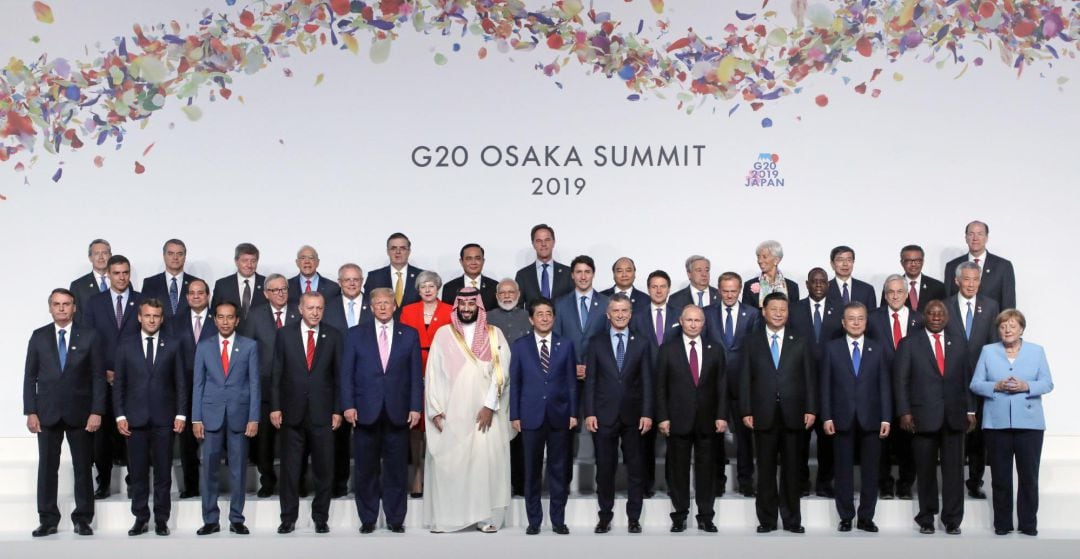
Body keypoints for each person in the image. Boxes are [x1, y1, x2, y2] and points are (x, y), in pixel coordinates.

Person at [423, 288, 513, 533]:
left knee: (485, 464)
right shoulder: (443, 334)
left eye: (471, 304)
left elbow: (501, 373)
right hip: (454, 414)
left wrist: (488, 406)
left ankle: (486, 518)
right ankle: (448, 518)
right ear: (456, 306)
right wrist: (436, 411)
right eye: (461, 304)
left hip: (485, 415)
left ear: (479, 307)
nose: (465, 308)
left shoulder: (494, 335)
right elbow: (433, 374)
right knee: (451, 464)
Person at [24, 288, 105, 537]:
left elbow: (98, 377)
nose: (61, 308)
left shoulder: (89, 336)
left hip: (80, 413)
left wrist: (96, 411)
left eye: (66, 304)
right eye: (57, 304)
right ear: (50, 307)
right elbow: (30, 377)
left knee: (82, 467)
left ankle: (83, 518)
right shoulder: (38, 337)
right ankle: (47, 519)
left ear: (74, 307)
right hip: (46, 413)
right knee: (47, 468)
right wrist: (31, 411)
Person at [341, 288, 423, 534]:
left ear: (394, 305)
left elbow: (415, 375)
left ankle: (395, 518)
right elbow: (346, 374)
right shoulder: (355, 334)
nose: (383, 307)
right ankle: (367, 518)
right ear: (371, 307)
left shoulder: (409, 334)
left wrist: (415, 407)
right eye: (378, 303)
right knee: (366, 469)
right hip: (365, 411)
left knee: (396, 469)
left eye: (387, 303)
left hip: (398, 411)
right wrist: (348, 405)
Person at [893, 300, 975, 535]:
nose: (936, 317)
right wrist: (904, 412)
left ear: (947, 317)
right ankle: (926, 517)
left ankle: (952, 520)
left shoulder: (959, 342)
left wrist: (970, 410)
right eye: (931, 313)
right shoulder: (909, 344)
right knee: (925, 471)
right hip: (922, 416)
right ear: (924, 316)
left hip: (954, 416)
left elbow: (966, 379)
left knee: (954, 472)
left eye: (940, 313)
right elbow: (901, 382)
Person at [970, 309, 1053, 536]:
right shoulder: (988, 351)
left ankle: (1028, 525)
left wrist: (1027, 386)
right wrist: (995, 386)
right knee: (1000, 477)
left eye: (1012, 326)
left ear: (1022, 329)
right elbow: (976, 384)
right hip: (997, 424)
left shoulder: (1036, 351)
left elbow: (1047, 383)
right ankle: (1003, 524)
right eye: (1003, 326)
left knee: (1028, 477)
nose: (1007, 330)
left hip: (1030, 425)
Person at [740, 292, 817, 534]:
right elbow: (744, 379)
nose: (778, 313)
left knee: (793, 471)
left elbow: (809, 379)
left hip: (794, 414)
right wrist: (746, 410)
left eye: (783, 309)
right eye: (773, 309)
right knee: (765, 470)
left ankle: (792, 520)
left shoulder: (801, 340)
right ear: (764, 311)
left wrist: (811, 409)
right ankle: (767, 520)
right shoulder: (751, 341)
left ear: (788, 312)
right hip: (762, 414)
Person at [270, 292, 343, 534]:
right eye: (310, 307)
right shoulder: (284, 334)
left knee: (324, 469)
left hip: (323, 413)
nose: (314, 312)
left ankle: (321, 517)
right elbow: (277, 373)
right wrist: (275, 407)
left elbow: (338, 377)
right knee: (290, 470)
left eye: (319, 308)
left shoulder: (333, 335)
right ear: (300, 308)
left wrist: (337, 410)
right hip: (292, 412)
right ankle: (288, 518)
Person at [113, 298, 187, 536]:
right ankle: (141, 518)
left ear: (162, 318)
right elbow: (119, 385)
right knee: (137, 473)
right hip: (134, 420)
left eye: (156, 316)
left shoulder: (173, 344)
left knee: (164, 473)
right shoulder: (125, 345)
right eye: (147, 316)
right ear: (139, 317)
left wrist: (181, 414)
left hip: (165, 419)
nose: (152, 320)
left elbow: (180, 384)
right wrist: (120, 415)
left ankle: (162, 519)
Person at [820, 302, 890, 533]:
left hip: (871, 418)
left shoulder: (877, 348)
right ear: (843, 322)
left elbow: (884, 386)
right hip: (841, 417)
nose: (856, 322)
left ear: (866, 322)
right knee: (843, 471)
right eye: (851, 318)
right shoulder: (831, 348)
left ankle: (866, 517)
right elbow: (826, 385)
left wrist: (886, 418)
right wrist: (827, 416)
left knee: (871, 471)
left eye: (861, 318)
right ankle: (846, 516)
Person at [192, 300, 261, 536]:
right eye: (220, 317)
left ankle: (236, 518)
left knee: (238, 470)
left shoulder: (249, 346)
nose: (225, 321)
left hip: (239, 416)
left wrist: (254, 418)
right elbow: (198, 384)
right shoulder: (204, 346)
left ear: (237, 320)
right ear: (214, 319)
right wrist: (196, 419)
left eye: (229, 317)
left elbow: (254, 383)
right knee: (208, 469)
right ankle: (210, 519)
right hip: (209, 416)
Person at [585, 294, 653, 534]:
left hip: (634, 417)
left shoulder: (642, 342)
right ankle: (604, 517)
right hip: (603, 415)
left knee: (636, 469)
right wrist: (590, 412)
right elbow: (591, 380)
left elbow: (647, 380)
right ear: (608, 314)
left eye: (625, 310)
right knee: (605, 469)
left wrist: (647, 412)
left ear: (631, 313)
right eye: (616, 311)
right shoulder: (596, 342)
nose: (621, 314)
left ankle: (634, 518)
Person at [656, 304, 726, 533]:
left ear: (703, 324)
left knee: (706, 471)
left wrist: (721, 416)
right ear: (681, 321)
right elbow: (661, 387)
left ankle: (706, 516)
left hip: (707, 420)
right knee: (678, 471)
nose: (693, 324)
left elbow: (722, 386)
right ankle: (679, 515)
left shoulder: (715, 349)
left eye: (698, 321)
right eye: (689, 320)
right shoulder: (668, 349)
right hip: (677, 420)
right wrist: (663, 417)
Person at [510, 297, 576, 535]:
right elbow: (515, 383)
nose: (545, 318)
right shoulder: (519, 346)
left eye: (549, 314)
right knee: (531, 471)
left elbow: (571, 383)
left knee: (558, 470)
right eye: (540, 314)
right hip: (530, 416)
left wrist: (573, 413)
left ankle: (558, 520)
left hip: (559, 416)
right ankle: (534, 520)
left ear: (554, 317)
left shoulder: (566, 345)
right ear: (531, 319)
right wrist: (515, 414)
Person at [83, 254, 141, 499]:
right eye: (116, 273)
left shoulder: (140, 301)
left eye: (125, 272)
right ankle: (103, 482)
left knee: (132, 431)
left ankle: (133, 482)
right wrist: (102, 371)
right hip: (103, 378)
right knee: (103, 435)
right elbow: (87, 339)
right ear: (108, 274)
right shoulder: (95, 302)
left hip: (134, 378)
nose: (121, 277)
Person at [944, 261, 1000, 499]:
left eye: (975, 280)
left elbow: (994, 342)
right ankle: (952, 480)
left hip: (980, 378)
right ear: (957, 281)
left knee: (978, 435)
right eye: (966, 279)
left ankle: (974, 481)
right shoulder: (944, 306)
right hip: (951, 379)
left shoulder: (990, 306)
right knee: (954, 431)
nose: (971, 284)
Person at [240, 273, 299, 498]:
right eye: (275, 290)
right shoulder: (255, 316)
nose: (281, 293)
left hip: (293, 386)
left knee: (292, 440)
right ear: (266, 294)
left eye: (284, 289)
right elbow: (247, 350)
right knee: (264, 440)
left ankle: (294, 481)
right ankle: (267, 480)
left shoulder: (298, 312)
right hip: (264, 386)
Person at [867, 274, 924, 500]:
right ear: (884, 294)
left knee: (908, 442)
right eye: (890, 292)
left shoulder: (920, 320)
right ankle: (885, 484)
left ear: (906, 294)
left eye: (899, 291)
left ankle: (905, 484)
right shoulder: (872, 319)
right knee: (881, 442)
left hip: (911, 392)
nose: (895, 296)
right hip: (879, 389)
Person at [705, 272, 761, 497]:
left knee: (745, 437)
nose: (729, 295)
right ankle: (717, 480)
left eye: (733, 290)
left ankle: (746, 481)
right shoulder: (707, 314)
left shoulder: (753, 314)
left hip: (742, 384)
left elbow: (756, 350)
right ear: (719, 290)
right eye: (725, 290)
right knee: (714, 434)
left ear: (740, 290)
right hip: (713, 383)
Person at [399, 270, 454, 497]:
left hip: (442, 368)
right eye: (423, 286)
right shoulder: (408, 311)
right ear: (418, 290)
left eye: (432, 285)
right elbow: (401, 342)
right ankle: (417, 476)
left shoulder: (450, 310)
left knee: (439, 421)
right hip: (413, 367)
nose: (428, 290)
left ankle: (440, 477)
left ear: (438, 288)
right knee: (415, 425)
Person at [787, 267, 841, 497]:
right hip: (801, 384)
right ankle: (800, 482)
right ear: (807, 284)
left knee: (828, 439)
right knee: (800, 438)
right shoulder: (794, 309)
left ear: (828, 284)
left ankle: (824, 482)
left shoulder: (839, 310)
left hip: (832, 384)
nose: (818, 285)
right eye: (814, 281)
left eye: (822, 281)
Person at [630, 270, 682, 498]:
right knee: (644, 441)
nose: (658, 290)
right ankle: (646, 485)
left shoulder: (680, 315)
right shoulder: (637, 316)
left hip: (674, 386)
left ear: (669, 289)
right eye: (654, 286)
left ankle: (674, 485)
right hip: (644, 385)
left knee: (675, 440)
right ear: (648, 289)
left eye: (663, 286)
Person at [485, 278, 532, 496]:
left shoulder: (528, 317)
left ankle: (522, 484)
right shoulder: (487, 318)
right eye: (502, 292)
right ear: (496, 296)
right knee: (497, 437)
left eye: (510, 292)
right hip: (495, 386)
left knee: (522, 436)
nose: (506, 296)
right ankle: (498, 485)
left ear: (518, 293)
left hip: (525, 385)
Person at [170, 278, 216, 499]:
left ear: (207, 295)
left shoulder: (219, 319)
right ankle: (191, 486)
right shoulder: (174, 321)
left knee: (213, 439)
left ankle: (212, 486)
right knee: (187, 440)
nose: (196, 296)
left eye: (201, 292)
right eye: (192, 293)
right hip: (185, 387)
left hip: (214, 386)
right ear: (187, 297)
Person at [944, 220, 1016, 310]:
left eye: (980, 234)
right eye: (971, 234)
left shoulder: (1003, 266)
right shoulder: (952, 266)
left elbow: (1008, 306)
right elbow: (947, 302)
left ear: (986, 238)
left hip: (992, 322)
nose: (975, 238)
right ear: (966, 238)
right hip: (959, 323)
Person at [141, 239, 203, 318]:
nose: (175, 257)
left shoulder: (197, 283)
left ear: (185, 257)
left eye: (180, 254)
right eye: (170, 254)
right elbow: (144, 313)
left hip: (188, 330)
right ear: (164, 256)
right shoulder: (150, 283)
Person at [514, 223, 572, 307]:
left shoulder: (568, 273)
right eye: (539, 241)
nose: (543, 244)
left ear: (553, 242)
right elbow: (518, 309)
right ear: (533, 244)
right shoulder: (523, 275)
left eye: (547, 240)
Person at [364, 232, 424, 312]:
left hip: (413, 324)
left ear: (409, 251)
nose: (398, 252)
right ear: (387, 252)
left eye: (402, 248)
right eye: (393, 248)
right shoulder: (374, 277)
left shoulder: (421, 276)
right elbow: (368, 305)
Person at [881, 245, 946, 312]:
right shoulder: (890, 285)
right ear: (902, 263)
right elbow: (883, 313)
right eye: (908, 261)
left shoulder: (938, 287)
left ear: (923, 262)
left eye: (917, 260)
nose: (913, 264)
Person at [211, 243, 266, 321]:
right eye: (245, 261)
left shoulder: (267, 284)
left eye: (253, 261)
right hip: (232, 332)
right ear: (236, 261)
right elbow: (215, 314)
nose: (249, 265)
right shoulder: (222, 285)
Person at [742, 240, 800, 309]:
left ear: (776, 260)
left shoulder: (792, 287)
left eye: (764, 257)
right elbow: (748, 315)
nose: (759, 261)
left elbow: (794, 313)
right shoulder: (749, 285)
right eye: (758, 257)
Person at [441, 243, 498, 312]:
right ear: (461, 262)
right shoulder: (449, 288)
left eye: (478, 258)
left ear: (483, 261)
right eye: (469, 259)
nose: (473, 262)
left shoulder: (495, 287)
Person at [69, 238, 112, 325]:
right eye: (96, 253)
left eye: (104, 253)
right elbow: (75, 317)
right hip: (90, 337)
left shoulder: (122, 282)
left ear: (110, 256)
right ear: (90, 258)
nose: (101, 257)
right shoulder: (78, 286)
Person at [324, 263, 373, 331]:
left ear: (362, 281)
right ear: (339, 282)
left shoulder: (374, 304)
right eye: (347, 280)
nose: (352, 283)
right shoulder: (328, 307)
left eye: (356, 280)